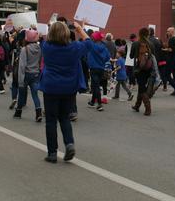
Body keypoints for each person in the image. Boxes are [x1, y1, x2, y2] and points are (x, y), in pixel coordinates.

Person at [39, 21, 92, 163]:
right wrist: (80, 29)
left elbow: (42, 36)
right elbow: (89, 43)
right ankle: (69, 144)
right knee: (64, 118)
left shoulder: (46, 47)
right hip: (69, 88)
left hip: (50, 87)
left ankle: (52, 153)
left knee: (50, 120)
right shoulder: (74, 48)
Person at [13, 30, 43, 122]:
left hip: (26, 74)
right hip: (35, 74)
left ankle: (18, 111)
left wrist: (20, 80)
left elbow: (22, 65)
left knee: (22, 93)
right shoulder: (39, 48)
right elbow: (39, 62)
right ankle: (38, 112)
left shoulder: (24, 49)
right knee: (35, 94)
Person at [130, 28, 156, 116]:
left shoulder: (136, 43)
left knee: (141, 87)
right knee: (141, 86)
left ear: (139, 34)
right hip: (148, 68)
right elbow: (153, 56)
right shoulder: (151, 44)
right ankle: (137, 106)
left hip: (139, 68)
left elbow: (130, 56)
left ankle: (148, 108)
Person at [86, 31, 110, 111]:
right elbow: (107, 58)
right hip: (101, 68)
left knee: (95, 86)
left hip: (93, 67)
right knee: (95, 85)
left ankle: (99, 104)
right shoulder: (105, 48)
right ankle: (92, 102)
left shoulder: (92, 46)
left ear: (94, 38)